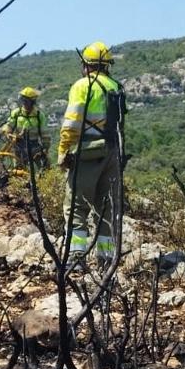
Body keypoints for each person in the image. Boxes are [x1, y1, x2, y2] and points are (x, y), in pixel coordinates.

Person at [57, 41, 123, 270]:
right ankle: (106, 260)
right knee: (106, 208)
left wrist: (63, 151)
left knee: (77, 207)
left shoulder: (83, 86)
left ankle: (75, 260)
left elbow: (72, 123)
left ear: (86, 64)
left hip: (86, 153)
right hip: (113, 153)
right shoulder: (116, 86)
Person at [1, 86, 50, 170]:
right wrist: (7, 133)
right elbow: (9, 125)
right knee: (19, 170)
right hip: (19, 146)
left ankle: (45, 181)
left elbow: (44, 134)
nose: (24, 103)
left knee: (45, 167)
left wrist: (46, 147)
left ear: (32, 101)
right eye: (23, 100)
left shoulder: (39, 115)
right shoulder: (16, 113)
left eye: (27, 101)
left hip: (35, 147)